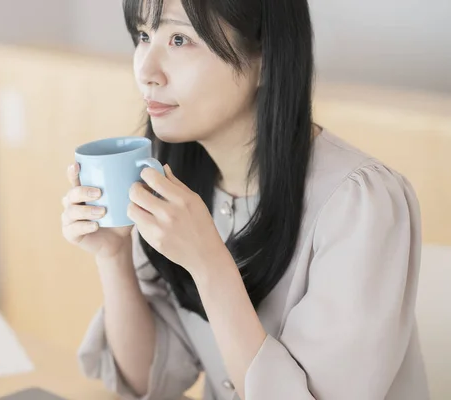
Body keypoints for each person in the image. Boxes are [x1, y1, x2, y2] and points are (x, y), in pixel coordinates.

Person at [61, 0, 429, 398]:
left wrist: (210, 264)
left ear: (266, 58)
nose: (146, 72)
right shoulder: (181, 186)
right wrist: (113, 256)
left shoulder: (360, 204)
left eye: (179, 39)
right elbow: (152, 380)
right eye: (144, 36)